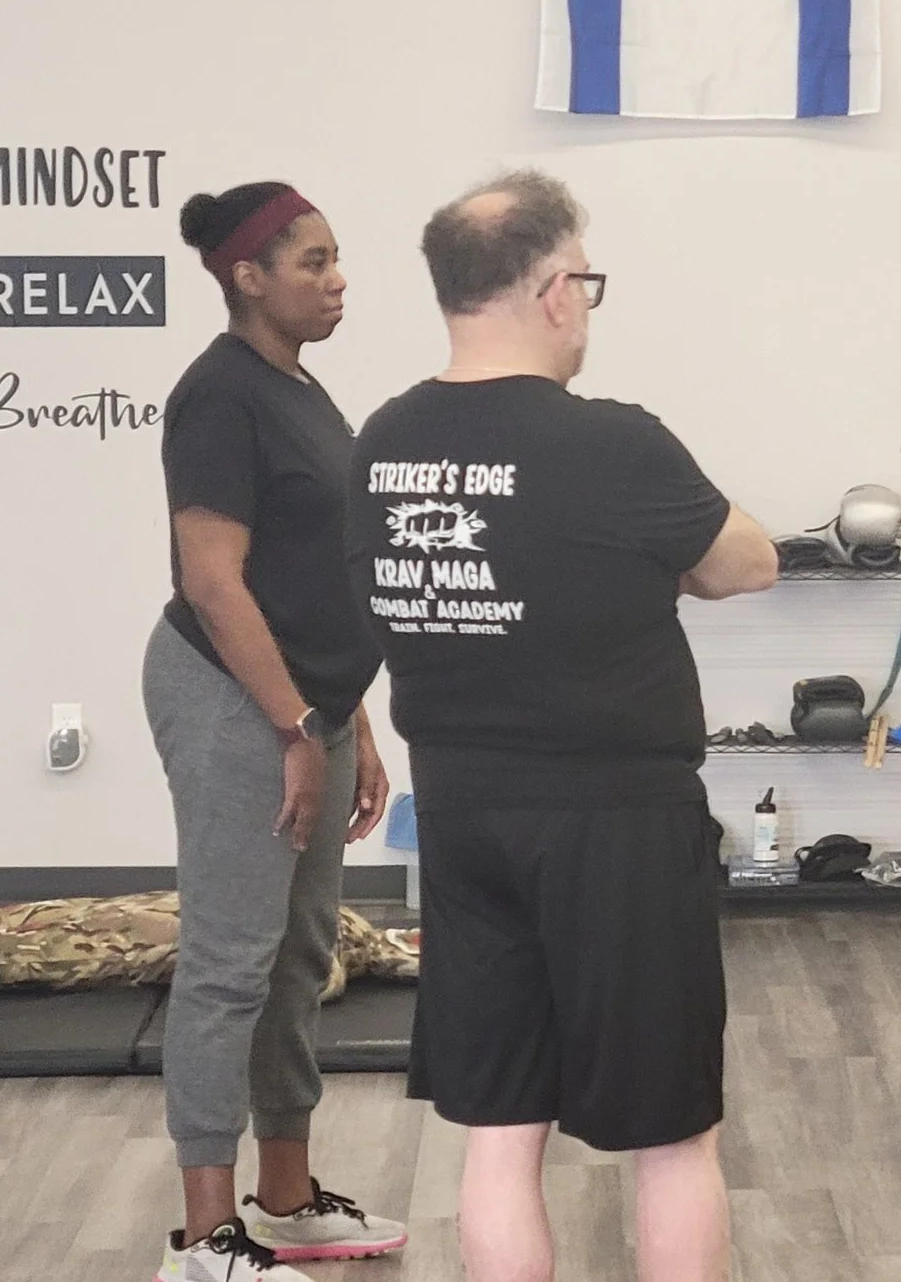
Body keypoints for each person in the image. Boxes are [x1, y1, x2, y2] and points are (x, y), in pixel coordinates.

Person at [347, 169, 776, 1282]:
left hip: (463, 813)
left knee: (500, 1129)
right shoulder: (613, 444)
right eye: (584, 279)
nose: (586, 302)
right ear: (550, 289)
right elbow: (750, 561)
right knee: (671, 1134)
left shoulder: (382, 445)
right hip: (614, 823)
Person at [147, 182, 409, 1282]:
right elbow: (216, 583)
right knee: (229, 960)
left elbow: (318, 570)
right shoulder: (218, 397)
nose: (337, 278)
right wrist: (295, 724)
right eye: (313, 261)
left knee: (301, 956)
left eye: (338, 258)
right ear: (247, 276)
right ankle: (206, 1238)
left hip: (311, 702)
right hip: (233, 697)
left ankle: (287, 1198)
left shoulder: (301, 388)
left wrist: (350, 718)